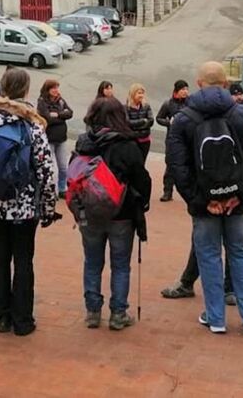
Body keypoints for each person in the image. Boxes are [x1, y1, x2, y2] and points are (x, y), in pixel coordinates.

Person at [167, 61, 243, 334]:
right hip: (237, 202)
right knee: (242, 252)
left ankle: (215, 318)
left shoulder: (184, 120)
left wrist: (200, 200)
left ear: (198, 83)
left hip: (205, 204)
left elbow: (178, 167)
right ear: (226, 84)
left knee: (209, 256)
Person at [0, 67, 57, 336]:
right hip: (24, 206)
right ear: (26, 91)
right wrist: (48, 207)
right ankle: (22, 320)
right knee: (23, 260)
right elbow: (45, 169)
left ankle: (3, 317)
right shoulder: (32, 123)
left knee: (0, 257)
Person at [75, 97, 151, 331]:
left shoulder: (84, 143)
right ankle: (118, 313)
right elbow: (142, 179)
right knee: (120, 264)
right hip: (122, 212)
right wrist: (143, 203)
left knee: (92, 262)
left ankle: (93, 312)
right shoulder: (127, 145)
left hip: (90, 212)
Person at [37, 79, 73, 199]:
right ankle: (52, 190)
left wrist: (57, 114)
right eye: (53, 88)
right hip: (49, 139)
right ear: (48, 90)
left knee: (63, 167)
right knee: (51, 168)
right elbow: (47, 118)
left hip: (61, 139)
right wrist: (61, 116)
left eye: (57, 87)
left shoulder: (60, 100)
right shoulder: (42, 102)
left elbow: (70, 113)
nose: (56, 90)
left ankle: (62, 188)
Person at [156, 80, 189, 202]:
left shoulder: (190, 103)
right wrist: (168, 122)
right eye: (183, 89)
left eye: (187, 89)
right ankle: (167, 191)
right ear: (176, 91)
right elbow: (159, 118)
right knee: (170, 165)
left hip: (188, 138)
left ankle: (189, 192)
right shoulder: (168, 104)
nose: (185, 92)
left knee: (189, 164)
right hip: (172, 138)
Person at [125, 84, 154, 162]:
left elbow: (151, 121)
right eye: (139, 93)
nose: (141, 95)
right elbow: (127, 122)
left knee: (142, 163)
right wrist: (142, 121)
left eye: (142, 93)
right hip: (132, 140)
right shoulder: (126, 107)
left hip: (145, 140)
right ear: (133, 94)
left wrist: (137, 126)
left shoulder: (146, 106)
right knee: (132, 162)